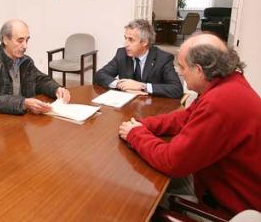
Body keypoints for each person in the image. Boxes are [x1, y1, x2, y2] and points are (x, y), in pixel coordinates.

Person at [118, 33, 261, 215]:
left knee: (139, 202)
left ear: (199, 71)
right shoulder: (228, 83)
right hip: (213, 179)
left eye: (183, 67)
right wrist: (143, 124)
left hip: (226, 208)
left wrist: (135, 134)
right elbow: (185, 117)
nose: (180, 72)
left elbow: (173, 161)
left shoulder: (220, 102)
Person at [0, 19, 70, 118]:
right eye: (20, 40)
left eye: (27, 40)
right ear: (5, 39)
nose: (25, 46)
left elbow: (40, 80)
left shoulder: (26, 61)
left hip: (18, 116)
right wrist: (23, 103)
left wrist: (56, 89)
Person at [94, 19, 183, 98]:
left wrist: (142, 86)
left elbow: (177, 89)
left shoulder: (163, 59)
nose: (125, 44)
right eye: (125, 38)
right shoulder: (122, 54)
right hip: (126, 106)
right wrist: (120, 84)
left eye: (131, 40)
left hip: (152, 107)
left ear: (144, 42)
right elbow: (99, 75)